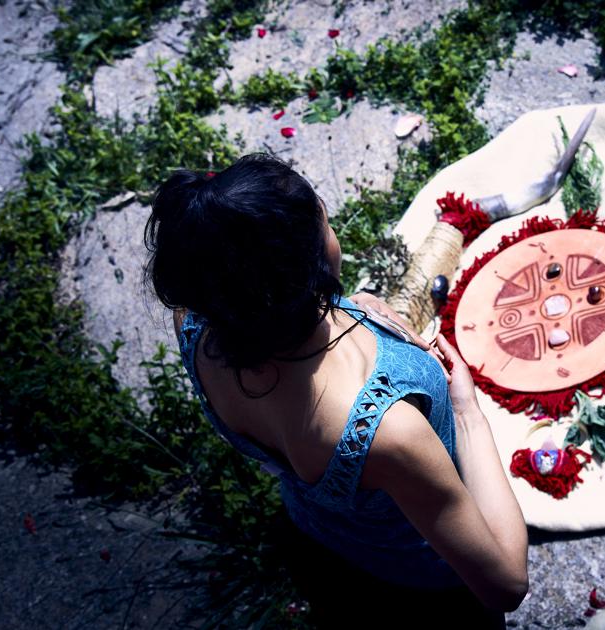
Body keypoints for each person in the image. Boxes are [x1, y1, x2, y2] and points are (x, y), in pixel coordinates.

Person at [144, 153, 529, 627]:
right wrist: (468, 414)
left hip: (321, 549)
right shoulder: (387, 430)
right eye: (325, 219)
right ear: (314, 259)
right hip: (426, 592)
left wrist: (350, 311)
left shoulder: (198, 324)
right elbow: (506, 584)